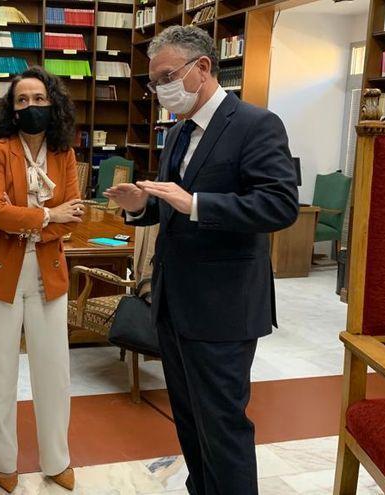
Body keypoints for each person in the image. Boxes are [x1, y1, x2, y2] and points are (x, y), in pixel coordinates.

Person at [105, 26, 298, 495]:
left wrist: (197, 204)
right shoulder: (176, 133)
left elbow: (279, 206)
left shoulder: (256, 124)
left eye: (167, 76)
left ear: (203, 68)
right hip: (173, 304)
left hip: (223, 307)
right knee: (190, 418)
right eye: (154, 81)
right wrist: (140, 205)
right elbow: (170, 204)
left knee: (223, 424)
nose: (160, 89)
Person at [0, 66, 84, 493]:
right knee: (1, 370)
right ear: (11, 109)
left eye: (39, 99)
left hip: (47, 272)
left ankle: (57, 458)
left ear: (54, 104)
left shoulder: (65, 154)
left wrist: (29, 220)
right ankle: (2, 460)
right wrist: (47, 214)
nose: (31, 106)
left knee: (55, 371)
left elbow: (73, 218)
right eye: (22, 100)